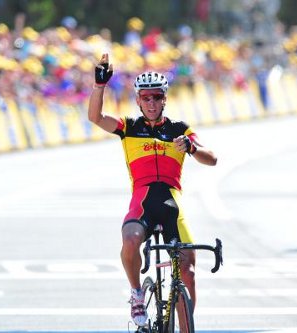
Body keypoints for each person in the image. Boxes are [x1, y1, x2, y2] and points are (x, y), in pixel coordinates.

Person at [87, 53, 217, 327]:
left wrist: (192, 148)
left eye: (157, 97)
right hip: (143, 201)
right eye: (146, 98)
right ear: (138, 100)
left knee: (188, 272)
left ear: (164, 99)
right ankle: (136, 293)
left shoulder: (179, 130)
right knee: (131, 239)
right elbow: (96, 117)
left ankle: (185, 327)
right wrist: (100, 87)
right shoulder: (129, 127)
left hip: (172, 204)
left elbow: (212, 158)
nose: (151, 103)